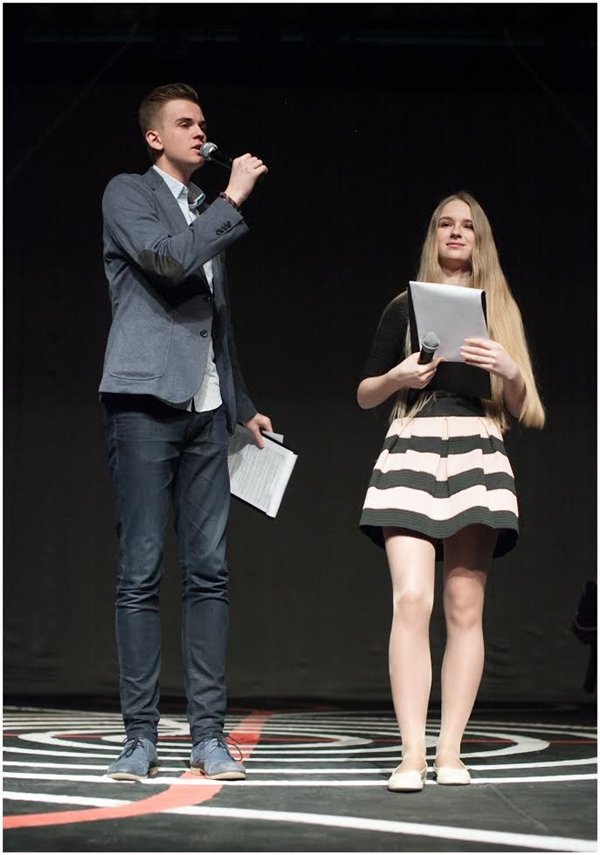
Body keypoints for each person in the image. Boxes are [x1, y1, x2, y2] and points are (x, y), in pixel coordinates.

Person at [99, 83, 272, 782]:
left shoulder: (205, 209)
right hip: (144, 400)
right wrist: (232, 198)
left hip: (207, 410)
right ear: (155, 137)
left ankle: (208, 736)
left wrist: (241, 401)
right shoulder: (128, 194)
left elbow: (215, 318)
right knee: (140, 570)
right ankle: (139, 736)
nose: (201, 132)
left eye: (203, 123)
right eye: (186, 123)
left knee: (210, 572)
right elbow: (168, 262)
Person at [357, 192, 545, 792]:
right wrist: (398, 376)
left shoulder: (500, 310)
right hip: (412, 445)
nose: (456, 233)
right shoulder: (403, 307)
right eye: (446, 224)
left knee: (465, 606)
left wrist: (509, 371)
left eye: (467, 226)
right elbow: (364, 393)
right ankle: (412, 753)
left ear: (480, 239)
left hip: (476, 449)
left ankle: (450, 752)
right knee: (412, 600)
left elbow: (525, 407)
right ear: (433, 235)